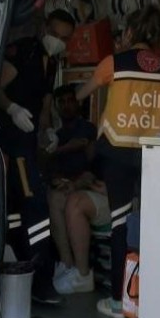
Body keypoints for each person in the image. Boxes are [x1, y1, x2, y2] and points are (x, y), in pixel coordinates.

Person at [76, 5, 160, 318]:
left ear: (131, 31)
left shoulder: (114, 63)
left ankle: (119, 302)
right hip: (156, 156)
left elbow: (81, 94)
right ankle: (154, 299)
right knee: (154, 226)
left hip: (118, 154)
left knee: (120, 225)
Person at [0, 9, 76, 304]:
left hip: (30, 143)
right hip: (13, 142)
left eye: (65, 38)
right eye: (55, 34)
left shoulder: (51, 62)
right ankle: (41, 281)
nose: (59, 41)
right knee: (37, 207)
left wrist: (48, 131)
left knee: (24, 210)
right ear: (45, 28)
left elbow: (44, 105)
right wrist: (12, 109)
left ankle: (30, 274)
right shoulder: (24, 52)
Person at [44, 84, 110, 294]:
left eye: (70, 100)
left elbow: (81, 143)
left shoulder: (87, 127)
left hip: (92, 185)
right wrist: (58, 180)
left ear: (77, 103)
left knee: (75, 201)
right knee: (54, 198)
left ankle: (82, 274)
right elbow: (52, 170)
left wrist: (56, 150)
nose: (67, 106)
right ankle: (68, 265)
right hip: (71, 185)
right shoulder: (57, 134)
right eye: (61, 102)